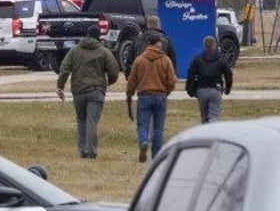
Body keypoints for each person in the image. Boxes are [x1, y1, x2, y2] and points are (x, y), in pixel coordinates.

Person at [56, 25, 120, 159]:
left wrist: (60, 86)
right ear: (98, 36)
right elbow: (114, 71)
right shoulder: (103, 51)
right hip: (96, 90)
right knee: (92, 120)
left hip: (79, 90)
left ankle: (82, 149)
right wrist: (110, 81)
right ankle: (90, 150)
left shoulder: (74, 51)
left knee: (81, 120)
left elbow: (65, 69)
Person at [125, 32, 177, 163]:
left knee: (142, 124)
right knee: (158, 128)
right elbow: (172, 80)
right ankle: (157, 155)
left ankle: (143, 141)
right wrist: (167, 91)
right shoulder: (166, 60)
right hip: (160, 96)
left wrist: (130, 93)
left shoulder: (139, 60)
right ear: (158, 44)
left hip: (144, 96)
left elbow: (132, 80)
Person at [186, 35, 233, 124]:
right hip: (216, 89)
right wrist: (228, 88)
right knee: (214, 116)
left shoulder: (197, 59)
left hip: (201, 90)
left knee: (204, 117)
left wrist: (190, 90)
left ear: (204, 45)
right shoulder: (221, 59)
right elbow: (228, 74)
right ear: (215, 45)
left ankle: (205, 134)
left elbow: (190, 75)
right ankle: (213, 133)